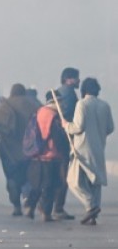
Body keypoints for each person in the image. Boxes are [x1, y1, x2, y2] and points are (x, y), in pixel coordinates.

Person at [64, 77, 114, 225]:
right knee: (95, 181)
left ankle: (90, 205)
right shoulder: (105, 105)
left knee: (73, 180)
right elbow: (110, 128)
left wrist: (66, 125)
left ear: (83, 90)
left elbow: (78, 127)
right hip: (99, 147)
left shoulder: (82, 104)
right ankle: (93, 214)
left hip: (82, 149)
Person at [0, 84, 42, 216]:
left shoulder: (4, 106)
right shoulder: (34, 104)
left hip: (9, 149)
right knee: (30, 177)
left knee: (12, 177)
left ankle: (16, 206)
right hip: (30, 149)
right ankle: (30, 203)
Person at [24, 90, 70, 221]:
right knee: (51, 186)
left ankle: (30, 206)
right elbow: (57, 137)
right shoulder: (54, 116)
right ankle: (46, 212)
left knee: (37, 185)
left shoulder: (39, 112)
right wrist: (65, 150)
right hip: (52, 155)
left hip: (38, 155)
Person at [52, 67, 81, 220]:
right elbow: (69, 116)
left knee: (55, 173)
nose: (78, 81)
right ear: (68, 79)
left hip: (55, 140)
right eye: (77, 78)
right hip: (64, 138)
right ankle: (58, 208)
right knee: (63, 174)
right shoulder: (69, 93)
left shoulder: (59, 92)